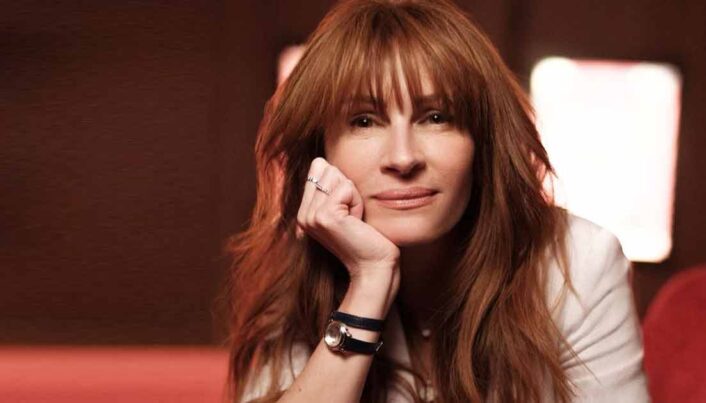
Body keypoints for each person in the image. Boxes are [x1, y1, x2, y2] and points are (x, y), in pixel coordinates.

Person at [223, 0, 649, 402]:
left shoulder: (578, 262)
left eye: (436, 117)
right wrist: (368, 283)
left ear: (483, 141)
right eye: (365, 121)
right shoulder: (302, 270)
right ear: (321, 154)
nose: (403, 157)